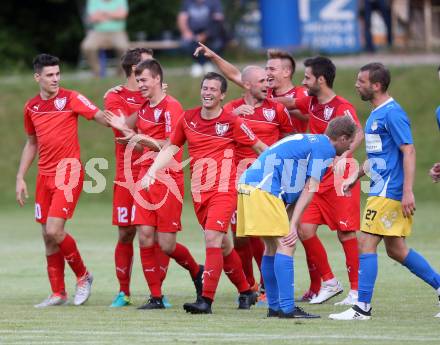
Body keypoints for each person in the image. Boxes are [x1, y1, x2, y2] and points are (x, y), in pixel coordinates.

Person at [144, 72, 268, 314]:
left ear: (222, 95)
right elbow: (171, 146)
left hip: (224, 190)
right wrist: (152, 170)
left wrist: (279, 170)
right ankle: (246, 290)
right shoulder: (188, 119)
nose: (208, 92)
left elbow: (261, 148)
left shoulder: (233, 122)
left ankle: (206, 301)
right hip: (200, 193)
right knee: (222, 245)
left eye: (213, 89)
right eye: (205, 88)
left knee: (212, 238)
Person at [329, 62, 440, 320]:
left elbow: (408, 150)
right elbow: (378, 156)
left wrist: (408, 192)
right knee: (396, 250)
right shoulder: (376, 114)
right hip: (379, 188)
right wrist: (355, 177)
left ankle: (361, 308)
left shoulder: (392, 113)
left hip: (389, 191)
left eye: (361, 81)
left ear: (376, 85)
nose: (356, 84)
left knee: (366, 242)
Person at [105, 59, 203, 310]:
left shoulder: (171, 107)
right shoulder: (145, 109)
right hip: (142, 179)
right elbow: (142, 145)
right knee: (145, 236)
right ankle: (156, 297)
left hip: (167, 180)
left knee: (167, 244)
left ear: (158, 79)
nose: (140, 85)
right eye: (138, 81)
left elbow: (170, 146)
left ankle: (196, 270)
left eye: (144, 80)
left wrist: (137, 137)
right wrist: (127, 135)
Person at [238, 116, 358, 318]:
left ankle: (275, 307)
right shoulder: (325, 149)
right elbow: (311, 187)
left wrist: (290, 219)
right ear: (343, 138)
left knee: (271, 247)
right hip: (263, 188)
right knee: (287, 243)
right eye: (351, 142)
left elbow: (298, 189)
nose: (350, 147)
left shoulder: (313, 142)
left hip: (251, 185)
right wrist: (293, 225)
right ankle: (286, 308)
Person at [16, 54, 109, 307]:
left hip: (68, 173)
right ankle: (58, 293)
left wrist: (120, 125)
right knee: (46, 236)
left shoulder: (71, 98)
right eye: (50, 75)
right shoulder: (31, 107)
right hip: (44, 177)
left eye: (58, 74)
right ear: (38, 77)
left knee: (54, 229)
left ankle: (83, 276)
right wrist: (20, 177)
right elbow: (31, 143)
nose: (56, 79)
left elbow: (98, 115)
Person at [281, 57, 364, 305]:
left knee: (346, 234)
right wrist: (259, 100)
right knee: (305, 229)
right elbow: (288, 102)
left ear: (321, 79)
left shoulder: (342, 106)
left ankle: (357, 292)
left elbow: (358, 131)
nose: (303, 82)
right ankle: (330, 282)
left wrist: (345, 155)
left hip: (340, 177)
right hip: (316, 177)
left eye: (307, 77)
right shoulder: (310, 101)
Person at [223, 65, 294, 299]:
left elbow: (288, 140)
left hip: (267, 183)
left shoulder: (278, 110)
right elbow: (216, 131)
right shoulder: (231, 109)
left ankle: (265, 288)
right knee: (240, 238)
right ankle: (248, 286)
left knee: (266, 236)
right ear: (247, 85)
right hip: (237, 179)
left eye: (268, 80)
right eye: (262, 81)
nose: (268, 84)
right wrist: (233, 118)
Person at [103, 47, 156, 307]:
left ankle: (156, 293)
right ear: (135, 70)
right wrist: (148, 105)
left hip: (154, 174)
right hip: (126, 176)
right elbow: (125, 136)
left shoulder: (157, 96)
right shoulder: (115, 98)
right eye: (149, 62)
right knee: (126, 233)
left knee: (152, 235)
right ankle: (123, 292)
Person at [194, 43, 308, 132]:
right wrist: (213, 56)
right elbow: (235, 75)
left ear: (286, 72)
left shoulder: (300, 93)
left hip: (289, 153)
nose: (267, 73)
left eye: (272, 69)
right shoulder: (262, 90)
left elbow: (309, 116)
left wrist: (276, 107)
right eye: (266, 68)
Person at [81, 0, 130, 77]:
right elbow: (93, 18)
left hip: (118, 32)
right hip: (97, 32)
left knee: (124, 47)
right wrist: (114, 14)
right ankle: (97, 73)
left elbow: (122, 15)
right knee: (87, 46)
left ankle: (120, 73)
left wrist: (103, 13)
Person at [178, 0, 226, 78]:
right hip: (193, 34)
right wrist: (186, 32)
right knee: (185, 43)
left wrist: (206, 34)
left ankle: (207, 63)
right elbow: (182, 18)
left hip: (211, 34)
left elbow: (218, 20)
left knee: (218, 43)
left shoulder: (214, 2)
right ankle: (199, 64)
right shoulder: (187, 2)